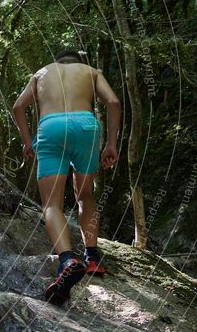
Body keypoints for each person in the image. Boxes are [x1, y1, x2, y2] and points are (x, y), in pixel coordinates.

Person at [11, 48, 121, 306]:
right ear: (77, 62)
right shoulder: (91, 71)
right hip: (86, 126)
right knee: (85, 195)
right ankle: (92, 257)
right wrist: (111, 144)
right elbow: (113, 103)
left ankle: (68, 260)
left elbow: (18, 107)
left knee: (51, 203)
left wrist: (28, 142)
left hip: (51, 128)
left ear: (57, 61)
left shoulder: (41, 72)